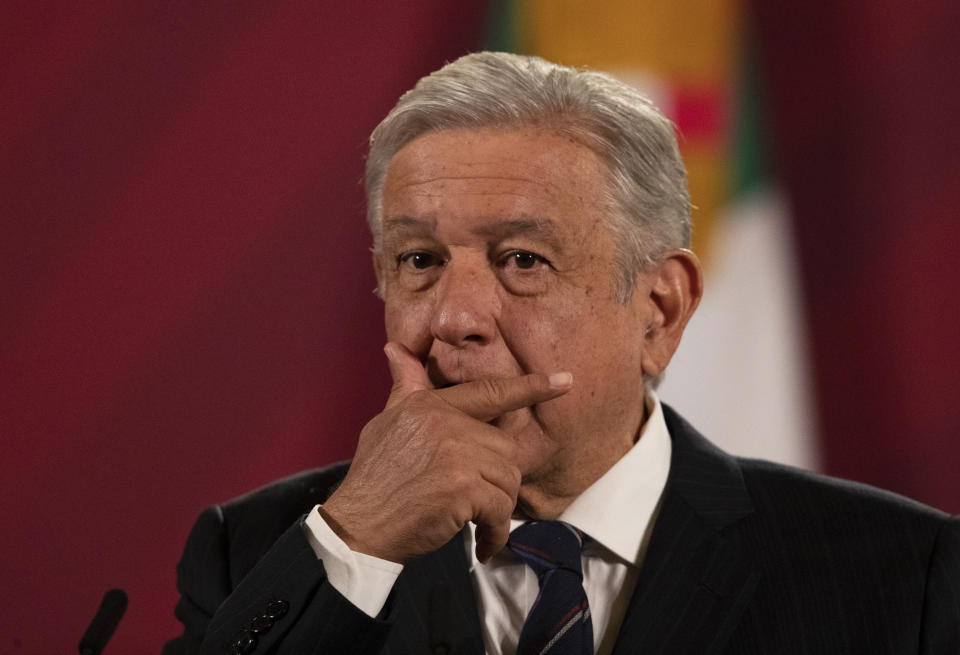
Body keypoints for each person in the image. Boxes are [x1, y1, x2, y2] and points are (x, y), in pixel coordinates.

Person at [164, 52, 959, 655]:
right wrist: (354, 546)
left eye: (522, 260)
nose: (455, 317)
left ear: (660, 307)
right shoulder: (264, 552)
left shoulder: (900, 575)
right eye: (418, 261)